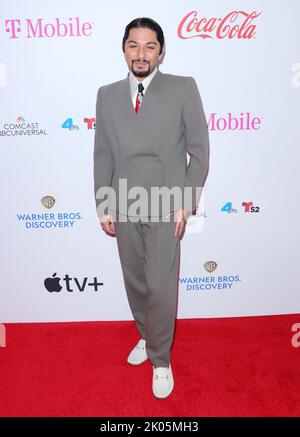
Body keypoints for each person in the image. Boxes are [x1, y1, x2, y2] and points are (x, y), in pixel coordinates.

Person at [93, 17, 209, 399]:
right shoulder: (107, 94)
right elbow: (104, 152)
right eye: (134, 45)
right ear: (124, 48)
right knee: (136, 281)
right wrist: (103, 201)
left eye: (149, 46)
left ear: (161, 51)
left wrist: (185, 201)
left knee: (160, 284)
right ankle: (146, 335)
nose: (141, 54)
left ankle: (161, 359)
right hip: (124, 201)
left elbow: (199, 151)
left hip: (165, 204)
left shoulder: (182, 88)